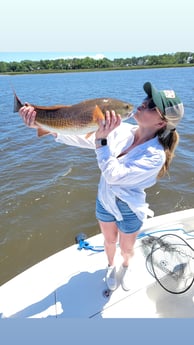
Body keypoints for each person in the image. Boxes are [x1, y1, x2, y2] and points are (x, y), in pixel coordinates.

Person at [19, 81, 184, 291]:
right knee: (108, 241)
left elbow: (114, 175)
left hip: (129, 207)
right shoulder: (122, 130)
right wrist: (42, 125)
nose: (143, 104)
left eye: (152, 106)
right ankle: (110, 265)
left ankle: (125, 266)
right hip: (104, 200)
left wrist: (102, 139)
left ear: (161, 123)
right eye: (146, 99)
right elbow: (85, 138)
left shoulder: (155, 156)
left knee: (126, 247)